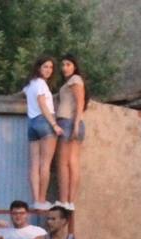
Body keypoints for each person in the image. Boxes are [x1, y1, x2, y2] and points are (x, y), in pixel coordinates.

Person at [23, 57, 62, 208]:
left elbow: (22, 94)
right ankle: (41, 200)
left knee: (34, 164)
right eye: (45, 67)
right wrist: (54, 124)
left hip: (31, 123)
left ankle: (35, 200)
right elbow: (42, 103)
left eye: (51, 68)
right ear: (38, 67)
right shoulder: (40, 84)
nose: (48, 70)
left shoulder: (30, 84)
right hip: (44, 122)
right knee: (45, 164)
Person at [55, 54, 87, 204]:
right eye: (62, 65)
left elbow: (80, 102)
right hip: (73, 123)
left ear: (75, 66)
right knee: (72, 162)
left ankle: (64, 200)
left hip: (68, 122)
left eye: (68, 64)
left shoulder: (75, 80)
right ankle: (69, 201)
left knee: (63, 163)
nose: (64, 68)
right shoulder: (68, 83)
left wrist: (75, 124)